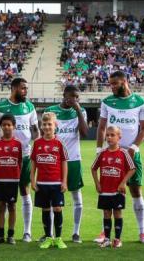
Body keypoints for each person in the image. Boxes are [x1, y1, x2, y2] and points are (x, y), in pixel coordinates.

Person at [95, 71, 144, 244]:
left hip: (132, 154)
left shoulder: (141, 102)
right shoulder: (107, 102)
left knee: (135, 190)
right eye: (110, 84)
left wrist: (134, 148)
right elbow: (102, 127)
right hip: (111, 156)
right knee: (108, 193)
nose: (112, 87)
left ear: (124, 82)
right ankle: (105, 233)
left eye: (115, 84)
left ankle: (142, 232)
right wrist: (99, 149)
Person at [0, 77, 39, 243]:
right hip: (4, 159)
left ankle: (27, 231)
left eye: (26, 88)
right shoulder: (0, 107)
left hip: (24, 156)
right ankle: (0, 232)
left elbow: (36, 130)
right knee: (2, 200)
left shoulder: (29, 106)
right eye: (23, 88)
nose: (26, 91)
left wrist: (36, 151)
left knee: (24, 192)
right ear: (14, 88)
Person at [46, 85, 89, 244]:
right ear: (64, 95)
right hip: (54, 161)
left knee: (76, 196)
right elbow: (46, 133)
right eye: (72, 96)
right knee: (53, 199)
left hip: (73, 160)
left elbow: (84, 134)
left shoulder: (80, 111)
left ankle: (76, 232)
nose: (74, 100)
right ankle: (50, 233)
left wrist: (78, 110)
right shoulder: (51, 110)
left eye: (77, 97)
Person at [91, 125, 136, 249]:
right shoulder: (102, 153)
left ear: (119, 137)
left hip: (117, 191)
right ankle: (106, 239)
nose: (109, 137)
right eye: (107, 135)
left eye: (112, 135)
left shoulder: (124, 153)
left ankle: (117, 239)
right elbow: (93, 168)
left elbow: (132, 169)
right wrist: (97, 183)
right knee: (106, 213)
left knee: (117, 213)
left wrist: (123, 183)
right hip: (104, 190)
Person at [31, 112, 68, 249]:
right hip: (42, 183)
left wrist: (64, 181)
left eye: (49, 124)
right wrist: (33, 180)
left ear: (55, 126)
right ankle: (48, 237)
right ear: (41, 126)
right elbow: (34, 163)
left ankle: (58, 238)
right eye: (44, 124)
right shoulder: (37, 143)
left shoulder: (59, 143)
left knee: (57, 208)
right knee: (45, 209)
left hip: (56, 183)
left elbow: (64, 162)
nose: (47, 127)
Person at [0, 114, 22, 245]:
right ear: (1, 127)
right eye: (4, 125)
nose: (6, 127)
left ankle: (11, 235)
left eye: (9, 125)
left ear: (13, 126)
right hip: (0, 180)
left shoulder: (18, 143)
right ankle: (0, 235)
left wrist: (16, 174)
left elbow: (20, 161)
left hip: (13, 180)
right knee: (0, 206)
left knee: (12, 206)